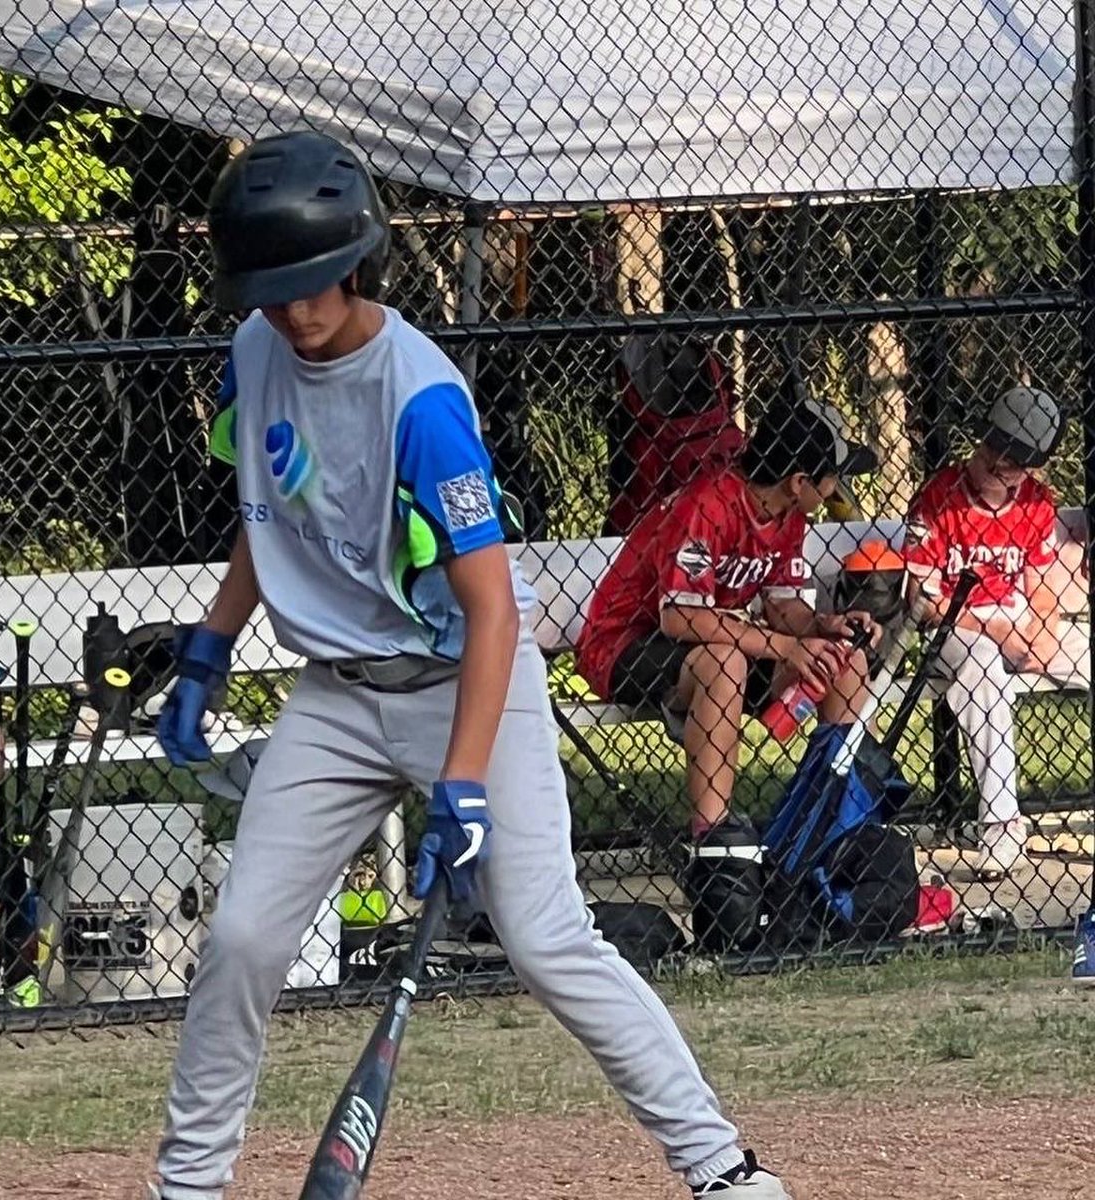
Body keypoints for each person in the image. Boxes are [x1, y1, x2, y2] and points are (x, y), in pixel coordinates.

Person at [147, 131, 791, 1200]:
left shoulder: (421, 400)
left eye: (310, 284)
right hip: (337, 698)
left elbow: (494, 613)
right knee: (245, 939)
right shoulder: (257, 354)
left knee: (547, 941)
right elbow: (277, 506)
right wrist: (211, 649)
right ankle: (189, 1185)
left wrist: (464, 779)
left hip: (466, 682)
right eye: (269, 290)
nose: (293, 312)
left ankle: (720, 1166)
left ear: (358, 262)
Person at [575, 394, 880, 867]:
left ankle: (838, 826)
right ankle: (715, 847)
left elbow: (783, 604)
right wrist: (785, 647)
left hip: (713, 641)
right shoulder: (708, 504)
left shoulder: (789, 515)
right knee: (725, 660)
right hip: (627, 644)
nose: (836, 488)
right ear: (799, 481)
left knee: (845, 661)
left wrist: (822, 627)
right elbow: (679, 617)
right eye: (832, 477)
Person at [903, 386, 1084, 878]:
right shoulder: (938, 499)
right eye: (994, 457)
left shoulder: (1036, 502)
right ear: (982, 444)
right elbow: (924, 602)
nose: (999, 470)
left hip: (1021, 623)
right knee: (981, 666)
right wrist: (999, 630)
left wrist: (1043, 631)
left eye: (1013, 466)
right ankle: (1003, 832)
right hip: (957, 630)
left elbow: (1045, 587)